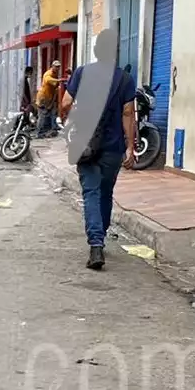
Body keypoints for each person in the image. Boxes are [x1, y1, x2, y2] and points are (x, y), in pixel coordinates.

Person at [61, 57, 137, 271]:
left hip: (86, 146)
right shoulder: (125, 79)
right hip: (113, 149)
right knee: (105, 193)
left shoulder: (82, 73)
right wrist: (130, 147)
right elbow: (128, 112)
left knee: (91, 193)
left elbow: (66, 102)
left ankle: (96, 245)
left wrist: (66, 120)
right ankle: (100, 236)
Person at [36, 60, 63, 138]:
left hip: (49, 98)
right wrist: (60, 80)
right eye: (56, 67)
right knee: (42, 116)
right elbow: (48, 80)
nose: (58, 68)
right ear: (52, 66)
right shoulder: (48, 74)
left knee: (51, 114)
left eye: (59, 67)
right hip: (43, 98)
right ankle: (39, 133)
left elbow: (55, 87)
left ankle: (49, 130)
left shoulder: (55, 74)